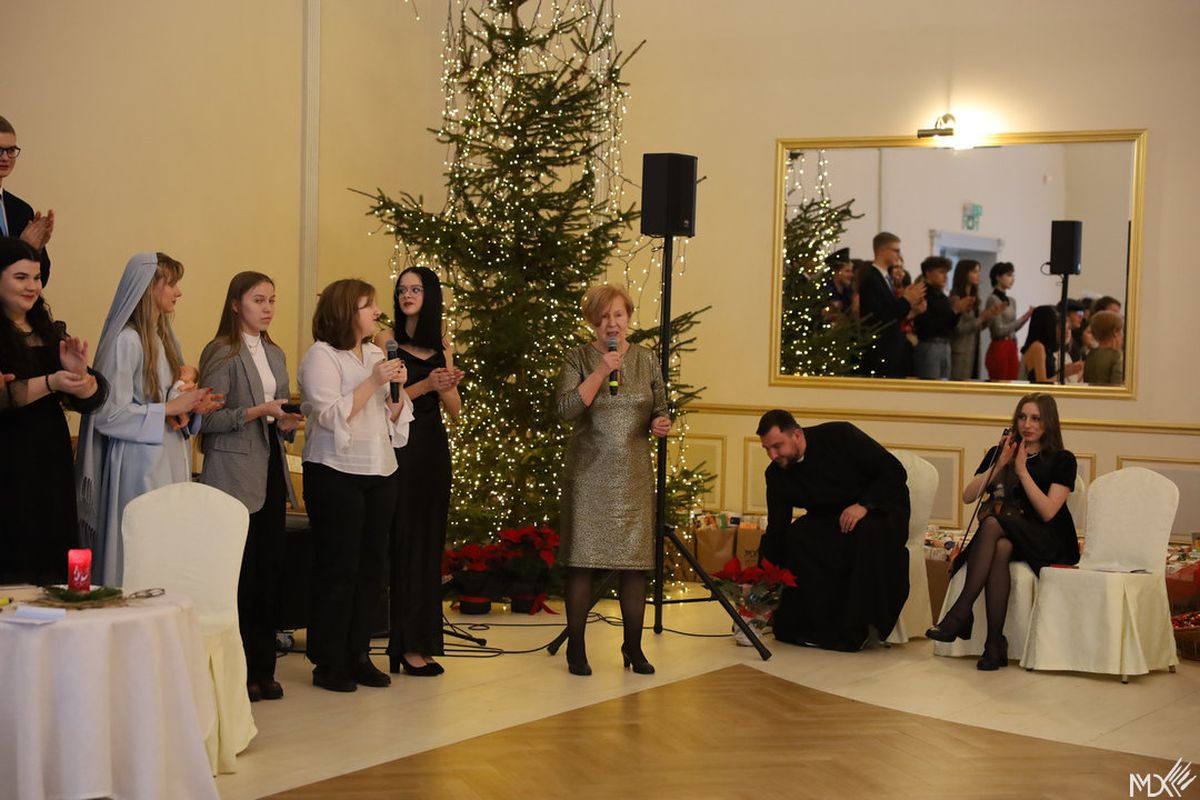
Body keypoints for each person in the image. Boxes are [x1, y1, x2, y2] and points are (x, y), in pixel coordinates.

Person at [75, 252, 220, 585]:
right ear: (147, 287)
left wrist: (188, 405)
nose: (178, 292)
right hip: (137, 462)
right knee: (140, 552)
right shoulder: (126, 341)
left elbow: (163, 399)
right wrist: (169, 409)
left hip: (167, 455)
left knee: (167, 550)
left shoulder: (164, 337)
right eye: (171, 283)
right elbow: (109, 415)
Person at [300, 278, 412, 693]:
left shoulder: (376, 353)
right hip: (334, 472)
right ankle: (329, 661)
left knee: (371, 569)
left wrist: (397, 394)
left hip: (379, 470)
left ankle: (359, 654)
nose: (377, 312)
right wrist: (373, 381)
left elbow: (394, 415)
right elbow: (330, 415)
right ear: (347, 311)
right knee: (338, 568)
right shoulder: (322, 356)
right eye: (368, 306)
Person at [198, 272, 304, 702]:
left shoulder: (275, 353)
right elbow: (206, 419)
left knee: (268, 572)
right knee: (239, 576)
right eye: (258, 300)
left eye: (272, 300)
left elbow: (278, 416)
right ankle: (237, 671)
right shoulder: (222, 351)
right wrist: (259, 410)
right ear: (235, 304)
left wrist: (287, 422)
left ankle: (264, 668)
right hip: (232, 473)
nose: (267, 308)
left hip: (270, 468)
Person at [555, 284, 670, 676]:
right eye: (603, 316)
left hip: (633, 476)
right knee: (581, 564)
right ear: (593, 321)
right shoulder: (577, 358)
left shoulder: (647, 359)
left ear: (629, 317)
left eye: (618, 315)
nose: (612, 323)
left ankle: (633, 647)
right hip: (588, 475)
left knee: (634, 567)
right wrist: (602, 370)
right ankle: (576, 648)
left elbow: (659, 406)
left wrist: (660, 422)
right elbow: (566, 409)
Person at [927, 393, 1079, 670]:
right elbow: (968, 496)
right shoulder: (1001, 452)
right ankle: (994, 644)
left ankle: (961, 612)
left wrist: (1022, 471)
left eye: (1036, 418)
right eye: (1022, 417)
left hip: (1048, 539)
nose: (1027, 424)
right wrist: (999, 464)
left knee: (993, 524)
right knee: (1000, 545)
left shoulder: (1062, 459)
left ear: (1049, 422)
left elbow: (1048, 511)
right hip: (1010, 536)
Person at [756, 409, 910, 651]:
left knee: (863, 535)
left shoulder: (840, 435)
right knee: (797, 536)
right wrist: (762, 581)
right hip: (832, 517)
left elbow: (894, 471)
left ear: (797, 435)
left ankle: (855, 630)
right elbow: (777, 528)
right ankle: (806, 627)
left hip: (878, 508)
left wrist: (864, 505)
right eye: (767, 449)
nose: (772, 455)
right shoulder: (776, 473)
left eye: (777, 446)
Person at [0, 238, 106, 585]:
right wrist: (52, 381)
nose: (32, 286)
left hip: (51, 457)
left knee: (52, 555)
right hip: (9, 459)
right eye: (20, 277)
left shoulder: (49, 330)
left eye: (36, 277)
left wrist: (81, 377)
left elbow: (93, 397)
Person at [373, 267, 463, 677]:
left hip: (433, 448)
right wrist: (426, 386)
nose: (407, 295)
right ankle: (404, 645)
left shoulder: (442, 342)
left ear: (430, 297)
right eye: (401, 289)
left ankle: (423, 643)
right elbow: (385, 403)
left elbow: (455, 410)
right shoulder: (386, 340)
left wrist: (446, 384)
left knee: (429, 545)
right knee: (405, 543)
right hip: (400, 445)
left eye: (416, 289)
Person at [857, 232, 925, 378]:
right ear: (882, 250)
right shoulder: (871, 279)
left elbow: (893, 314)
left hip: (891, 348)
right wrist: (906, 299)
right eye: (896, 250)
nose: (899, 255)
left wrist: (912, 308)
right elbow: (880, 316)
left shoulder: (884, 278)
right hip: (880, 349)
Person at [0, 117, 53, 284]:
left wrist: (36, 249)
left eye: (11, 150)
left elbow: (41, 278)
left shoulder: (21, 210)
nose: (5, 157)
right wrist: (22, 248)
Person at [949, 259, 1003, 380]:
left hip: (974, 351)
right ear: (964, 273)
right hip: (959, 353)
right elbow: (957, 329)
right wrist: (981, 318)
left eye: (979, 271)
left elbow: (977, 326)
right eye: (974, 271)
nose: (978, 275)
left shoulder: (974, 298)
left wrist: (990, 316)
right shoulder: (955, 298)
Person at [912, 256, 960, 380]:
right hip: (930, 345)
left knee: (944, 386)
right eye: (941, 272)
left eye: (946, 273)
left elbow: (949, 325)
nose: (945, 277)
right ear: (928, 273)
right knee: (930, 385)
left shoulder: (943, 297)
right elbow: (928, 325)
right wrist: (954, 311)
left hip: (945, 345)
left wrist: (957, 312)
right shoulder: (922, 294)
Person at [983, 262, 1032, 381]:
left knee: (1012, 381)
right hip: (999, 346)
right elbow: (998, 330)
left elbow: (1013, 328)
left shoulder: (1012, 300)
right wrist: (1020, 320)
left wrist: (1026, 318)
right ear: (998, 277)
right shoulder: (992, 299)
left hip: (1012, 345)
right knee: (1000, 382)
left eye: (1013, 275)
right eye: (1009, 275)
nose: (1012, 279)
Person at [1021, 305, 1082, 384]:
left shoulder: (1045, 347)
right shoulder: (1038, 347)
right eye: (1055, 324)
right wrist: (1064, 373)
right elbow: (1041, 383)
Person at [1083, 310, 1124, 385]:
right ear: (1115, 332)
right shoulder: (1116, 357)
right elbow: (1117, 385)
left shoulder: (1090, 355)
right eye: (1121, 331)